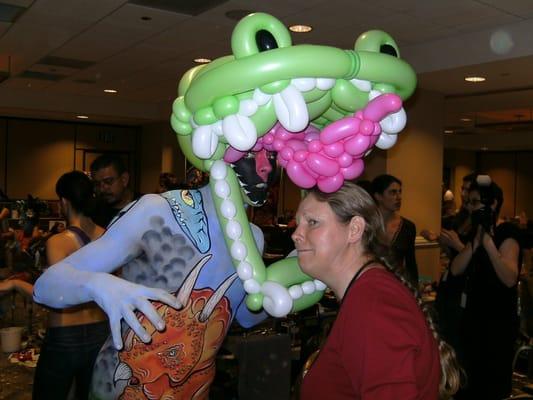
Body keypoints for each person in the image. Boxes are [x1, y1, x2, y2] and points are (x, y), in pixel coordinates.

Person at [293, 182, 460, 399]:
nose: (296, 234)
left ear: (354, 230)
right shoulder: (368, 292)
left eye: (312, 222)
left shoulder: (374, 304)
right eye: (298, 224)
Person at [32, 171, 109, 400]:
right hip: (100, 331)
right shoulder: (108, 236)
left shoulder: (57, 243)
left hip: (64, 336)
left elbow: (62, 294)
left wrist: (18, 284)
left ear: (64, 201)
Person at [450, 175, 522, 399]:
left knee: (490, 383)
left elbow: (509, 278)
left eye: (475, 202)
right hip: (473, 316)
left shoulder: (507, 232)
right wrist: (475, 242)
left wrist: (489, 244)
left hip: (497, 319)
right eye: (468, 202)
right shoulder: (475, 231)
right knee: (468, 380)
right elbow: (455, 269)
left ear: (492, 204)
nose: (470, 207)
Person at [371, 174, 419, 286]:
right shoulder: (366, 223)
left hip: (396, 285)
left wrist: (415, 291)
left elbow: (411, 263)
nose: (399, 197)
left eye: (399, 192)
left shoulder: (408, 227)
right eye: (393, 192)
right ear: (378, 196)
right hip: (369, 283)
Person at [90, 154, 135, 227]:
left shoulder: (144, 206)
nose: (102, 189)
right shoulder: (94, 213)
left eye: (108, 181)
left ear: (124, 179)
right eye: (97, 184)